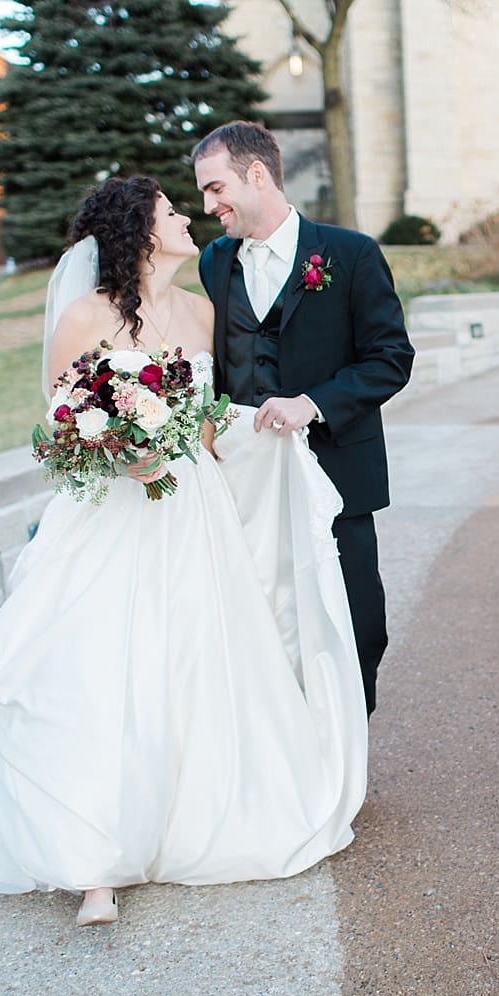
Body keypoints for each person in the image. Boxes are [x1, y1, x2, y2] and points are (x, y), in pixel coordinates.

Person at [0, 176, 367, 927]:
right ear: (139, 233)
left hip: (191, 509)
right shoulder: (81, 318)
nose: (187, 218)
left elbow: (203, 426)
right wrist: (119, 451)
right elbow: (61, 430)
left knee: (196, 659)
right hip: (110, 514)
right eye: (173, 212)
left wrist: (263, 444)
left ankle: (195, 818)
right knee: (104, 666)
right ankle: (92, 861)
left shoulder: (200, 314)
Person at [192, 122, 414, 717]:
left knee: (357, 620)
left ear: (256, 175)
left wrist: (312, 403)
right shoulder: (214, 263)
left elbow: (392, 359)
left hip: (338, 470)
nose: (208, 207)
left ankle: (350, 748)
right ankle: (295, 762)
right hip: (248, 481)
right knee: (267, 621)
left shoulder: (351, 254)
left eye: (216, 189)